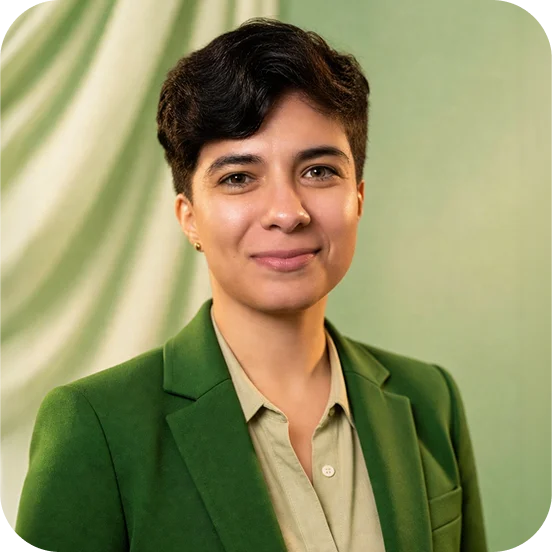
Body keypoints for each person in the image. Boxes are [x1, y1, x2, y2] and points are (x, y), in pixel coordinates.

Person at [15, 17, 488, 552]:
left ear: (358, 197)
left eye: (318, 171)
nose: (287, 212)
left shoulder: (430, 400)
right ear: (189, 217)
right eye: (238, 178)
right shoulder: (96, 428)